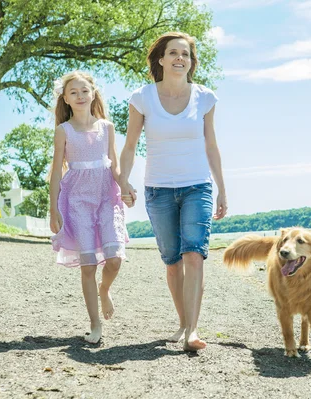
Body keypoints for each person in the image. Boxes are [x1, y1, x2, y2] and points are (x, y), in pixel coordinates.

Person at [119, 32, 227, 351]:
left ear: (191, 63)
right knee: (172, 261)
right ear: (161, 60)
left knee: (194, 254)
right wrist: (123, 181)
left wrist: (222, 189)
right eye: (174, 53)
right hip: (159, 190)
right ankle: (182, 322)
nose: (180, 58)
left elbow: (212, 145)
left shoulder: (205, 98)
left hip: (198, 186)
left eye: (186, 54)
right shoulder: (143, 97)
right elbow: (129, 146)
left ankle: (192, 331)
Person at [49, 71, 129, 344]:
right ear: (66, 99)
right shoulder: (64, 131)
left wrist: (125, 186)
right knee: (88, 264)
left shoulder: (107, 128)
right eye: (73, 92)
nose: (80, 96)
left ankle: (104, 289)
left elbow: (114, 165)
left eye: (84, 91)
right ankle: (95, 325)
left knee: (114, 259)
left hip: (107, 196)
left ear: (93, 93)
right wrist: (53, 210)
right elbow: (57, 172)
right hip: (77, 201)